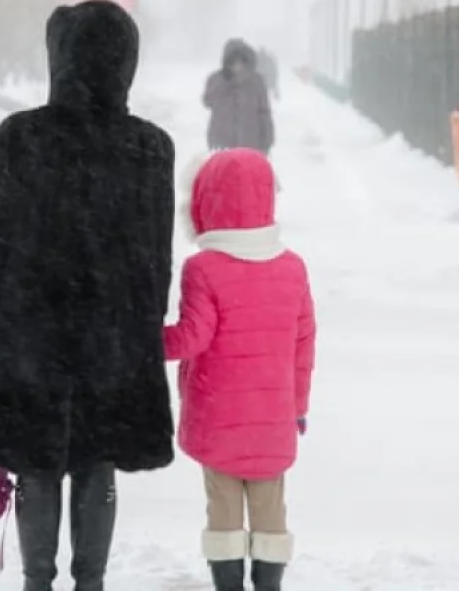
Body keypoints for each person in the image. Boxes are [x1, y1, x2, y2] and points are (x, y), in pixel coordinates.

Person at [0, 0, 178, 591]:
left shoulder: (23, 138)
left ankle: (36, 584)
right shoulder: (151, 149)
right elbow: (156, 261)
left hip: (28, 341)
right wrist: (140, 328)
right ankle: (90, 584)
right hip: (113, 342)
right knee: (98, 465)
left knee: (37, 467)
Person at [162, 148, 316, 591]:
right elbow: (303, 344)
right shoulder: (292, 267)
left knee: (224, 506)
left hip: (217, 416)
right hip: (273, 417)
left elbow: (193, 338)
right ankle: (269, 584)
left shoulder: (203, 268)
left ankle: (227, 584)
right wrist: (297, 406)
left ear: (204, 203)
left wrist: (145, 341)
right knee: (270, 505)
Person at [204, 39, 275, 154]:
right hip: (222, 143)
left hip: (251, 144)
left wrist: (267, 140)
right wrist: (225, 84)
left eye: (242, 61)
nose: (237, 66)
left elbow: (264, 112)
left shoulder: (256, 81)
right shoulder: (216, 79)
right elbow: (207, 101)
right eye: (233, 62)